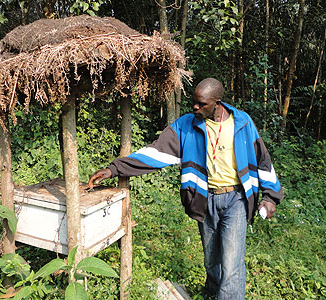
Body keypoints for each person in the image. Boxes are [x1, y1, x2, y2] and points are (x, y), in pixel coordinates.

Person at [88, 78, 283, 300]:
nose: (195, 107)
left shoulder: (242, 123)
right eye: (194, 102)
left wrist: (270, 197)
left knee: (232, 264)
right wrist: (114, 169)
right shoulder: (186, 125)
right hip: (205, 198)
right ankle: (213, 292)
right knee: (211, 259)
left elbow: (263, 160)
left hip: (236, 199)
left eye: (201, 104)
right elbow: (155, 153)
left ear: (217, 103)